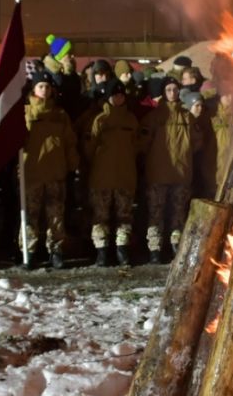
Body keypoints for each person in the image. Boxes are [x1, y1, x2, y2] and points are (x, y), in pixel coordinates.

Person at [140, 76, 201, 263]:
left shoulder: (187, 117)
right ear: (163, 93)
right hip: (158, 173)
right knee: (156, 213)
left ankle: (176, 246)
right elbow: (142, 144)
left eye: (175, 89)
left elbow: (198, 142)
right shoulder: (153, 117)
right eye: (168, 90)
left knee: (178, 214)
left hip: (181, 174)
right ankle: (155, 249)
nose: (172, 93)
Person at [22, 75, 79, 269]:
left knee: (55, 215)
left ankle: (56, 250)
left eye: (47, 86)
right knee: (30, 214)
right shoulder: (26, 113)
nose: (44, 90)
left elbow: (70, 142)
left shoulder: (61, 115)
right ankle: (28, 251)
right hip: (32, 173)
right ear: (33, 90)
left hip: (56, 172)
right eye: (40, 86)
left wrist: (73, 164)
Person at [86, 81, 138, 266]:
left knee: (124, 216)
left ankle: (122, 250)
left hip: (125, 176)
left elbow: (136, 145)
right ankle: (101, 252)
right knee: (100, 216)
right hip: (102, 177)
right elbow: (90, 148)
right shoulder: (100, 120)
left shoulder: (131, 120)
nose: (118, 98)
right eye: (114, 95)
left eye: (121, 95)